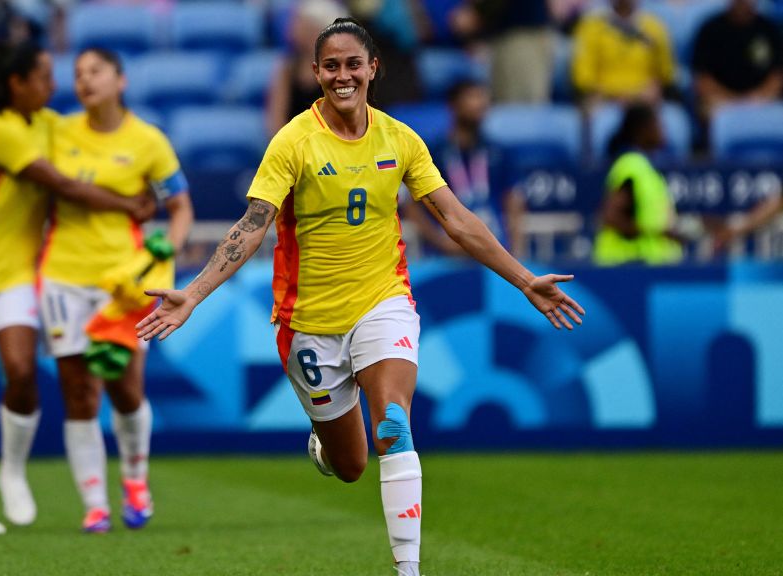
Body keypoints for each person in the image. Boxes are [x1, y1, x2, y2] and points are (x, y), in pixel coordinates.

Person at [137, 18, 584, 576]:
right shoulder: (294, 141)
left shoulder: (401, 139)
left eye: (354, 64)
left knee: (393, 425)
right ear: (316, 72)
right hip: (306, 322)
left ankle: (408, 569)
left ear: (374, 68)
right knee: (350, 465)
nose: (343, 75)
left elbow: (455, 218)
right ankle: (325, 448)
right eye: (331, 66)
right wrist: (195, 293)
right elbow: (253, 225)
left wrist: (523, 278)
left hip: (383, 300)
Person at [0, 41, 155, 535]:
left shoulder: (48, 123)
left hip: (16, 274)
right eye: (45, 77)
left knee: (23, 373)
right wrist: (128, 205)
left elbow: (93, 150)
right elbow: (63, 185)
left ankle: (11, 471)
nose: (55, 86)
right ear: (17, 83)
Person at [39, 47, 194, 533]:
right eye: (79, 73)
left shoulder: (148, 141)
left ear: (120, 80)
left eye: (96, 71)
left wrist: (164, 252)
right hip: (64, 274)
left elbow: (181, 207)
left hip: (126, 284)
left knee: (125, 389)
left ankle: (134, 478)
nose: (85, 80)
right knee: (78, 391)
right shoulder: (58, 132)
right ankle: (94, 503)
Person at [402, 80, 526, 257]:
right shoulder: (432, 153)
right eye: (472, 97)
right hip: (446, 255)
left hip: (495, 250)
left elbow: (514, 199)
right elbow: (410, 205)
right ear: (453, 105)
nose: (480, 103)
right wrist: (439, 241)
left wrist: (517, 250)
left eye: (483, 97)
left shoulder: (499, 152)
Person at [593, 103, 683, 266]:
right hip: (627, 266)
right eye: (658, 123)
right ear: (642, 129)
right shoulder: (631, 165)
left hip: (646, 268)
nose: (663, 129)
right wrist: (659, 233)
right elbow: (611, 217)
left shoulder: (646, 166)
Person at [692, 0, 783, 125]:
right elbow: (702, 79)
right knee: (706, 109)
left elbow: (777, 76)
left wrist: (758, 98)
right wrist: (732, 101)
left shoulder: (770, 29)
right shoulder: (710, 29)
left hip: (762, 100)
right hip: (720, 100)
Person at [571, 0, 677, 107]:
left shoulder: (654, 27)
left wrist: (655, 88)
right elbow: (583, 78)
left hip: (645, 104)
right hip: (604, 103)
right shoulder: (590, 27)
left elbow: (665, 74)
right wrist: (615, 96)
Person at [450, 0, 556, 103]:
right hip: (506, 36)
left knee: (521, 108)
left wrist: (477, 12)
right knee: (505, 106)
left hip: (522, 37)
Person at [266, 0, 346, 136]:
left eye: (299, 22)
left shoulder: (339, 73)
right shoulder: (287, 69)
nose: (292, 26)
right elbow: (275, 123)